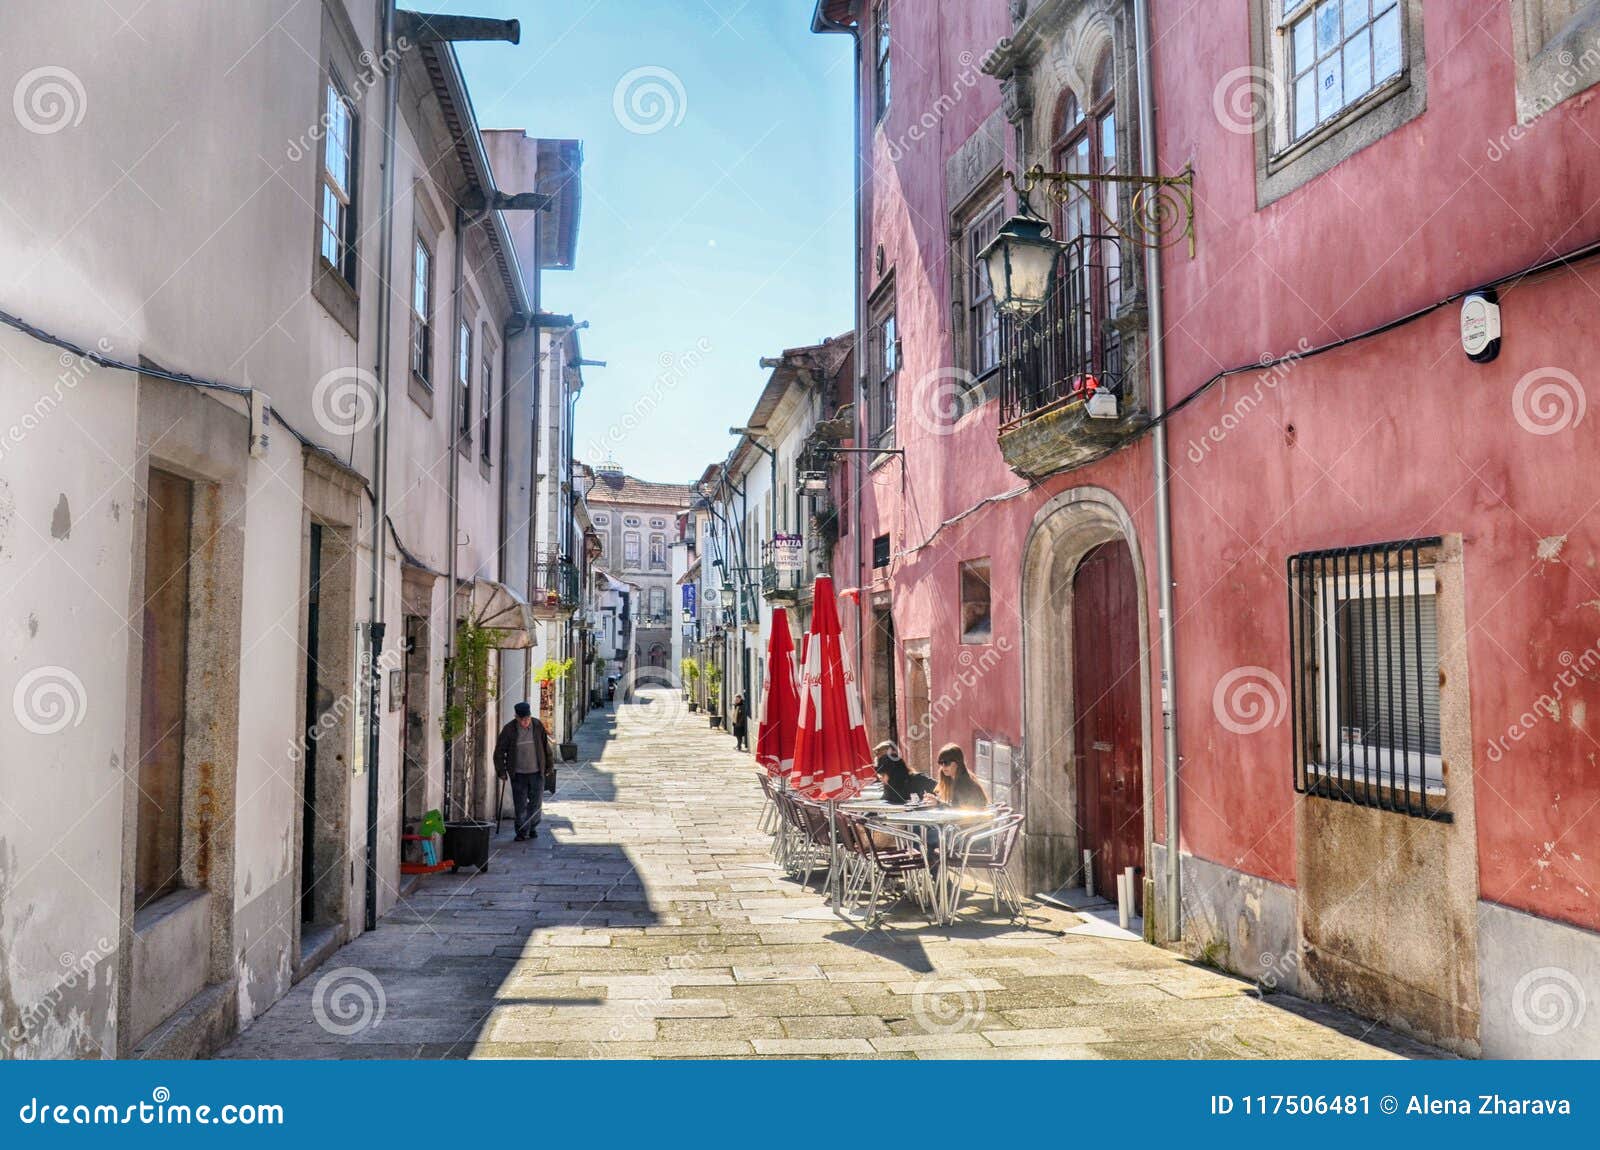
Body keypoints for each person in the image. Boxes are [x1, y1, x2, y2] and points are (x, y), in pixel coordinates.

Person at [493, 701, 552, 841]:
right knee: (520, 804)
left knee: (536, 803)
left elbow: (545, 747)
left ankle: (532, 827)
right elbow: (499, 751)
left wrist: (549, 766)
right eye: (522, 719)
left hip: (537, 772)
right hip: (518, 774)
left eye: (528, 719)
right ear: (516, 717)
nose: (526, 722)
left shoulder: (537, 725)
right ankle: (521, 831)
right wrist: (501, 771)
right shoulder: (509, 729)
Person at [935, 743, 989, 808]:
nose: (943, 766)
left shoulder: (965, 785)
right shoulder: (950, 780)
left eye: (947, 762)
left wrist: (938, 803)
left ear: (958, 762)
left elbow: (961, 812)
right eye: (940, 762)